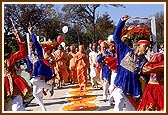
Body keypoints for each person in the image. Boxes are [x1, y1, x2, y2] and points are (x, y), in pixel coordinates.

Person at [112, 15, 150, 111]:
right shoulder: (125, 50)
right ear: (138, 46)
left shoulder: (145, 62)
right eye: (145, 46)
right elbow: (116, 37)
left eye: (148, 47)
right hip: (120, 84)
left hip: (133, 89)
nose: (147, 49)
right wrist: (121, 22)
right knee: (119, 101)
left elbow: (147, 77)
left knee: (132, 110)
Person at [4, 29, 32, 111]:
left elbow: (23, 53)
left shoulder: (10, 59)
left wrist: (18, 37)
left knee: (17, 109)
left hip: (13, 86)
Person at [28, 26, 55, 111]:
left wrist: (31, 33)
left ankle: (50, 88)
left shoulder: (38, 50)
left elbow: (35, 41)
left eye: (31, 45)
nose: (30, 47)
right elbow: (29, 64)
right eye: (29, 46)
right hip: (35, 71)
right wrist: (28, 69)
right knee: (36, 94)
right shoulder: (29, 55)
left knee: (33, 81)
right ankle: (44, 110)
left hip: (40, 68)